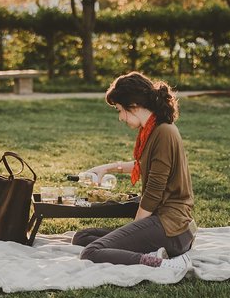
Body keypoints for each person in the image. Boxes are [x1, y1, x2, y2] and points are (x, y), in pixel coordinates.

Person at [72, 71, 197, 269]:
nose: (120, 117)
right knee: (82, 237)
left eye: (120, 110)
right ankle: (151, 250)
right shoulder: (152, 129)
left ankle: (162, 263)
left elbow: (154, 191)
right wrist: (107, 167)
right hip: (164, 223)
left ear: (134, 106)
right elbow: (144, 164)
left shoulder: (163, 132)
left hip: (171, 227)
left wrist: (134, 228)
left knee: (91, 252)